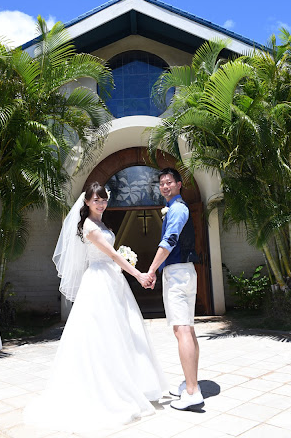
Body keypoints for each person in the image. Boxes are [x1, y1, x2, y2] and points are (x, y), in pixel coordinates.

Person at [24, 182, 167, 434]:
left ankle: (129, 382)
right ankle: (105, 390)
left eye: (104, 199)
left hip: (112, 280)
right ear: (87, 202)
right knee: (101, 335)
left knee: (122, 333)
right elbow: (112, 255)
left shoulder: (102, 224)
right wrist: (139, 275)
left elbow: (113, 254)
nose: (101, 203)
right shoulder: (89, 227)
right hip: (99, 281)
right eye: (96, 200)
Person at [145, 168, 203, 411]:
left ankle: (192, 392)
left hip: (178, 273)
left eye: (169, 182)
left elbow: (169, 242)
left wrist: (150, 271)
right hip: (182, 272)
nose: (165, 186)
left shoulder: (178, 209)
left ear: (180, 185)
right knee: (187, 329)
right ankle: (191, 384)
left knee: (182, 331)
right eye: (162, 183)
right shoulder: (176, 208)